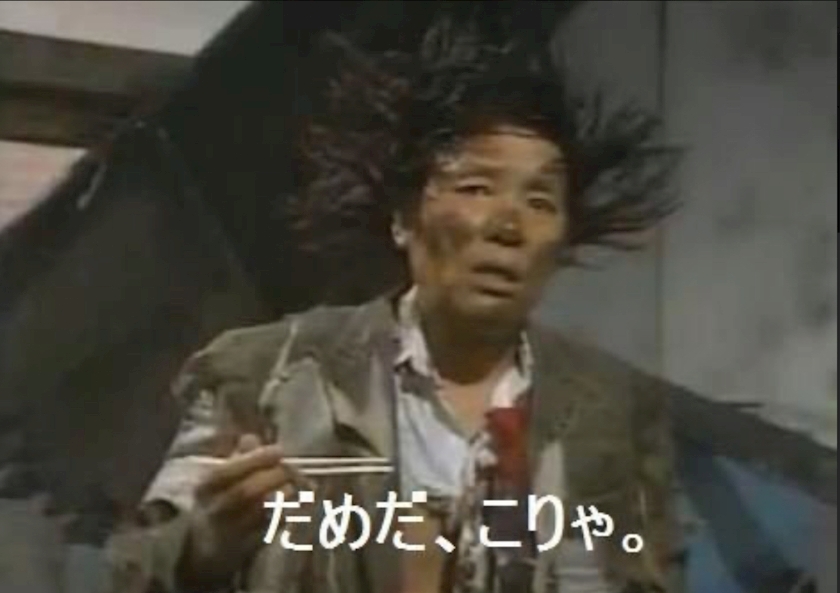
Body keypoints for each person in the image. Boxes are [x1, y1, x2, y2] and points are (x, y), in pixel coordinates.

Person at [106, 17, 683, 593]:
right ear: (404, 219)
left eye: (540, 200)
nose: (509, 226)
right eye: (476, 188)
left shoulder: (618, 412)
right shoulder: (261, 377)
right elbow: (135, 570)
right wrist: (202, 549)